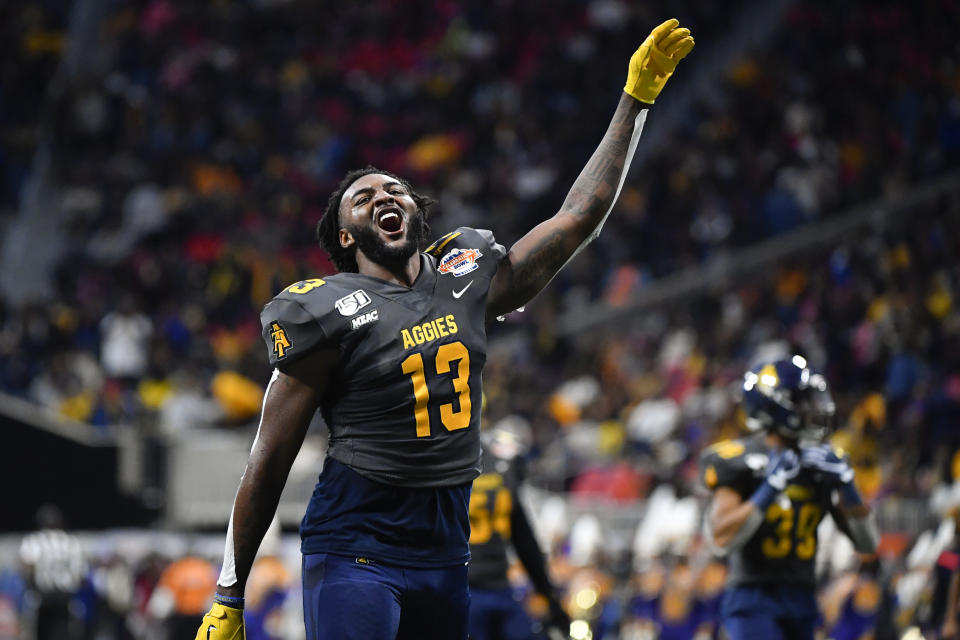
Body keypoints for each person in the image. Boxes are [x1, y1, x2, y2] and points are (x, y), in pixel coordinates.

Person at [197, 19, 695, 640]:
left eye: (394, 187)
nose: (385, 193)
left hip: (444, 552)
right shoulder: (321, 310)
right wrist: (229, 591)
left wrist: (635, 101)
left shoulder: (467, 276)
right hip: (356, 544)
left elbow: (579, 217)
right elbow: (268, 457)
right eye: (364, 195)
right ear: (346, 237)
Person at [700, 356, 880, 640]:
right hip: (754, 596)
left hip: (803, 595)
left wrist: (848, 485)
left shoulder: (821, 463)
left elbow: (868, 542)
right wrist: (769, 487)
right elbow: (720, 539)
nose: (816, 408)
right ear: (774, 405)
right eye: (804, 400)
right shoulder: (743, 461)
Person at [467, 421, 570, 640]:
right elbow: (526, 544)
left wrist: (548, 596)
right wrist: (549, 595)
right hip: (483, 589)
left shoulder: (452, 462)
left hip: (480, 587)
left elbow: (524, 540)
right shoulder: (503, 468)